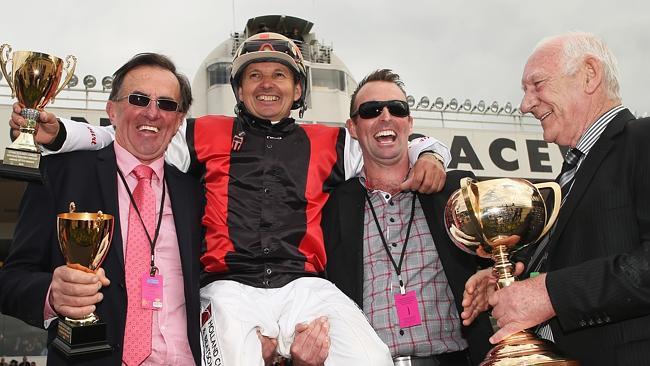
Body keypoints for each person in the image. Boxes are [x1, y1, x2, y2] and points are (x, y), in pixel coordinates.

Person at [9, 33, 449, 365]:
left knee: (372, 358)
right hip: (228, 290)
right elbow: (133, 134)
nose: (266, 84)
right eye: (254, 75)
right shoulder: (204, 131)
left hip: (303, 286)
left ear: (298, 90)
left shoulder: (331, 140)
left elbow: (387, 141)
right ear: (239, 90)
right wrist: (62, 133)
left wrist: (429, 151)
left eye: (280, 74)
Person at [0, 53, 203, 365]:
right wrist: (53, 294)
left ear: (178, 121)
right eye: (139, 99)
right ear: (112, 109)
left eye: (166, 104)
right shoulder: (60, 175)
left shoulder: (196, 192)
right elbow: (11, 281)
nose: (152, 113)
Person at [461, 32, 650, 365]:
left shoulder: (643, 140)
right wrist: (509, 282)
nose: (525, 104)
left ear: (590, 74)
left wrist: (550, 294)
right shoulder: (567, 174)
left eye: (537, 85)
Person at [319, 69, 492, 366]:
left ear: (409, 123)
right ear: (353, 127)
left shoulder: (455, 191)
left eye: (396, 109)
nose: (385, 116)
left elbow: (507, 255)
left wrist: (496, 276)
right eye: (371, 110)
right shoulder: (333, 205)